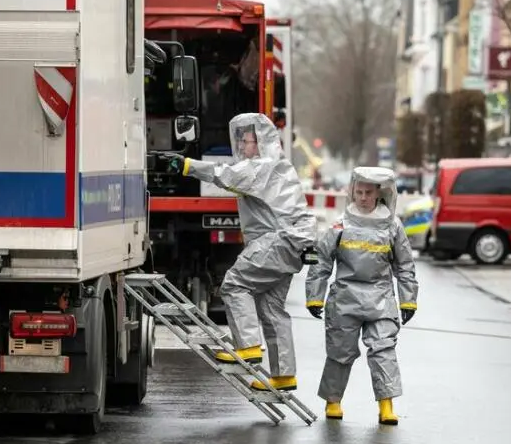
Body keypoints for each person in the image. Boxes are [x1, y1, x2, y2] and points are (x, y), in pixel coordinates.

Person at [164, 113, 317, 391]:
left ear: (260, 144)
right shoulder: (281, 167)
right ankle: (283, 375)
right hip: (290, 245)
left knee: (234, 285)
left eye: (246, 141)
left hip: (273, 242)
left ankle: (247, 347)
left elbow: (225, 175)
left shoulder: (261, 167)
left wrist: (186, 165)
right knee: (272, 310)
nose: (243, 147)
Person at [305, 167, 418, 425]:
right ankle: (333, 402)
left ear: (380, 193)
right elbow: (322, 260)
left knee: (384, 350)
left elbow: (404, 265)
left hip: (380, 299)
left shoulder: (392, 226)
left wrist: (408, 300)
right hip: (345, 298)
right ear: (352, 191)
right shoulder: (340, 224)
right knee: (339, 352)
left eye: (369, 192)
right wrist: (314, 296)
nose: (364, 197)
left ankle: (386, 407)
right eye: (359, 192)